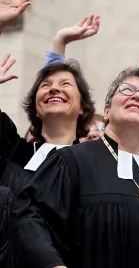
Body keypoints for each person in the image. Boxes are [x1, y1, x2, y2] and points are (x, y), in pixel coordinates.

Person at [12, 67, 139, 268]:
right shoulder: (71, 160)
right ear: (107, 111)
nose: (137, 96)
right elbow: (30, 218)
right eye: (127, 90)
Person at [0, 57, 95, 194]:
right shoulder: (13, 149)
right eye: (46, 85)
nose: (54, 88)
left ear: (82, 107)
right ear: (36, 109)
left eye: (65, 84)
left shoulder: (95, 163)